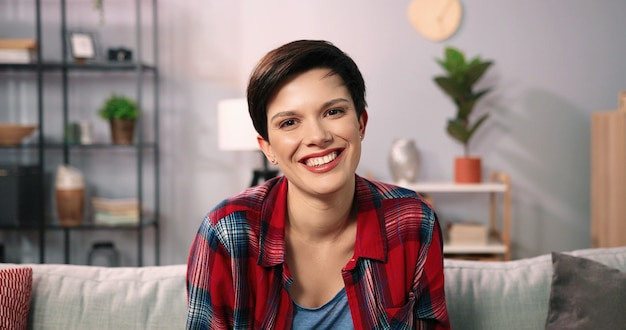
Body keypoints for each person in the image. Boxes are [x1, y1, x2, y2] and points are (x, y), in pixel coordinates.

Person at [186, 40, 450, 329]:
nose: (317, 136)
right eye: (289, 122)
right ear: (268, 148)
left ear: (361, 123)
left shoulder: (412, 220)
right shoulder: (226, 232)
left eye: (333, 112)